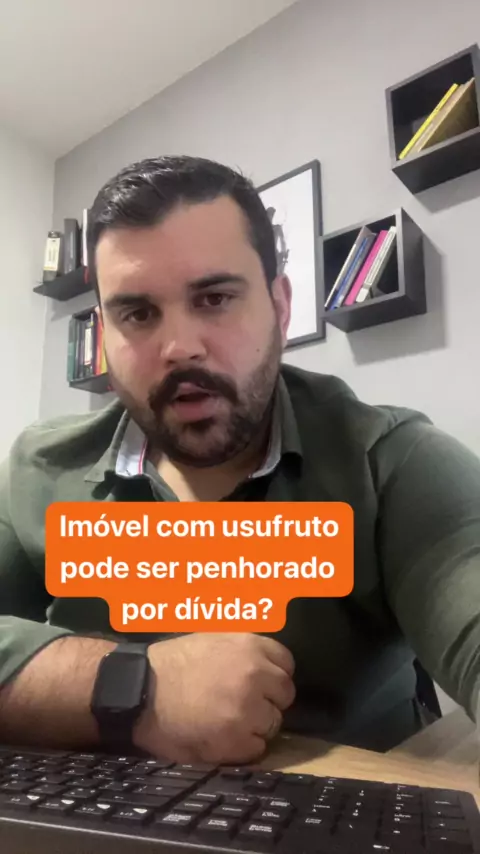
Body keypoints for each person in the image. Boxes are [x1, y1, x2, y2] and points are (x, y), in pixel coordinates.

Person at [0, 155, 479, 765]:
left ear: (280, 306)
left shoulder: (390, 462)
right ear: (105, 335)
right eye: (138, 314)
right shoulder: (39, 470)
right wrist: (136, 688)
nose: (180, 348)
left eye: (215, 298)